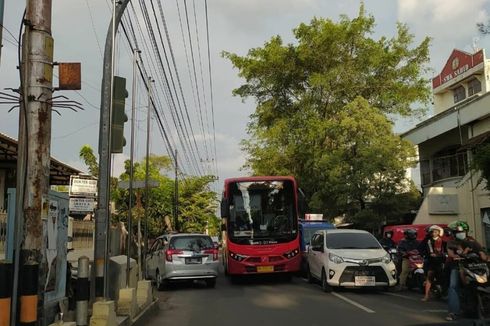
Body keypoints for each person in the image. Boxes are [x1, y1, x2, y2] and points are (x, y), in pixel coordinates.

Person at [445, 220, 486, 321]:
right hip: (458, 266)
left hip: (475, 266)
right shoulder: (451, 242)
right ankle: (453, 312)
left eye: (462, 232)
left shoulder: (472, 240)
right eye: (458, 232)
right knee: (453, 286)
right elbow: (451, 254)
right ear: (454, 233)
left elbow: (481, 252)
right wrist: (457, 256)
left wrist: (484, 256)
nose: (461, 234)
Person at [420, 225, 446, 301]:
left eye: (436, 232)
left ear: (439, 233)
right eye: (433, 232)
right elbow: (428, 251)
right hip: (431, 261)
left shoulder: (443, 242)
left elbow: (445, 251)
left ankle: (443, 293)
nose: (434, 233)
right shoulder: (428, 240)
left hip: (440, 262)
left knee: (443, 277)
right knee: (429, 278)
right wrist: (429, 254)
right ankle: (426, 295)